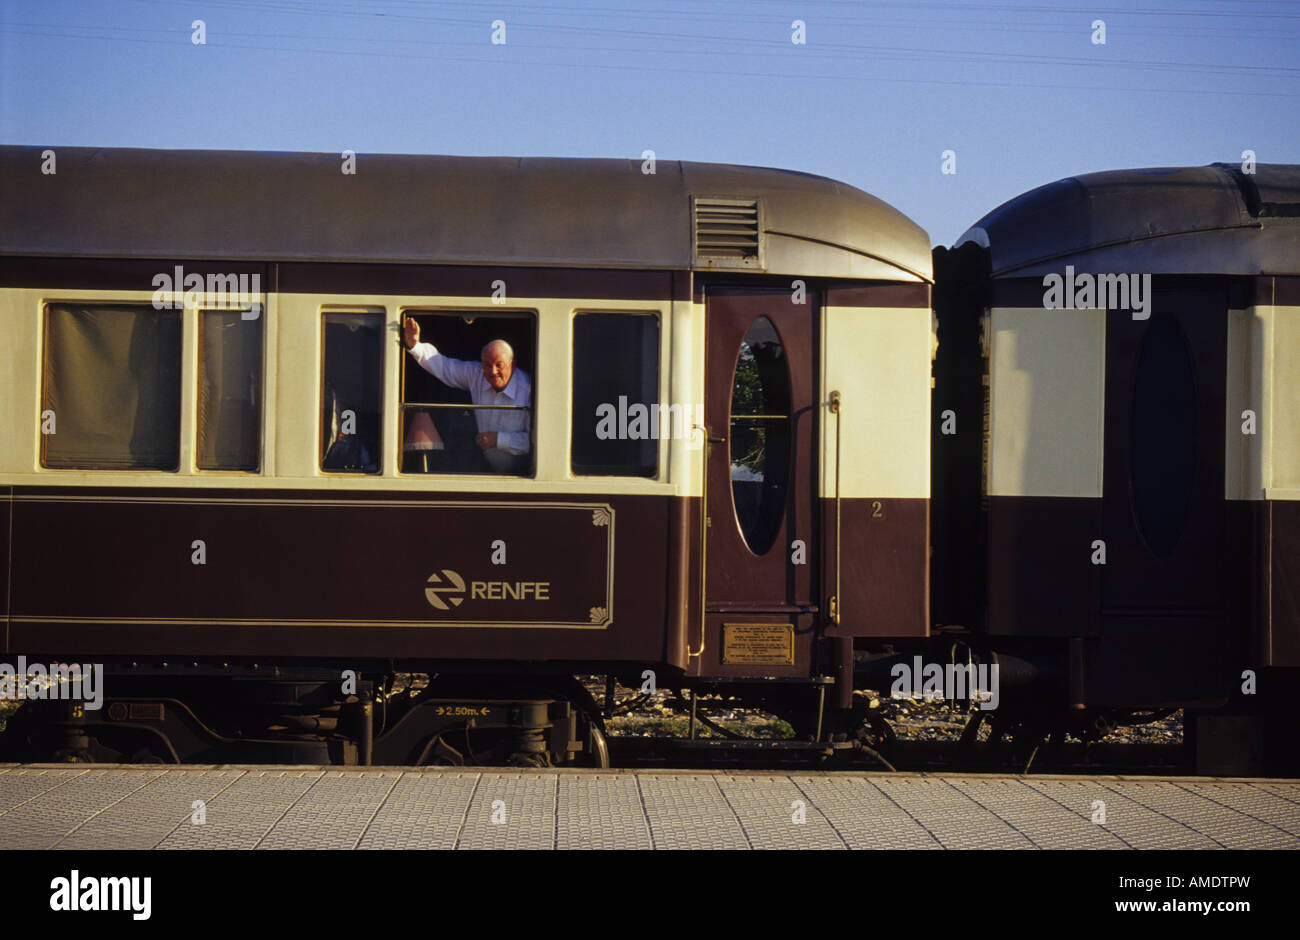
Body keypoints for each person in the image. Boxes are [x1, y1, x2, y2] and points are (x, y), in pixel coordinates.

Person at [402, 316, 530, 473]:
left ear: (513, 364)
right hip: (487, 468)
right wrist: (415, 346)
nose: (492, 371)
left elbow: (539, 442)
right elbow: (444, 367)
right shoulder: (477, 374)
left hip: (524, 474)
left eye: (499, 365)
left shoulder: (529, 390)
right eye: (487, 365)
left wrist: (499, 440)